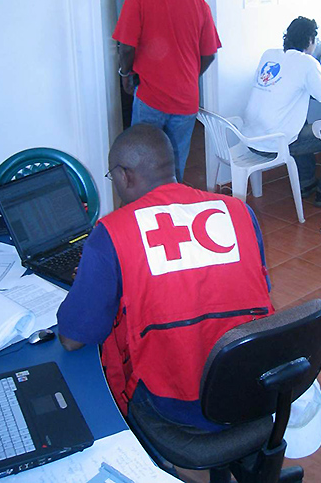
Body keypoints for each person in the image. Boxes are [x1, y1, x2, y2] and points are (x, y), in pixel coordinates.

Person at [57, 124, 273, 431]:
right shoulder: (239, 211)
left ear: (124, 176)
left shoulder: (112, 233)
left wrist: (96, 282)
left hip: (173, 403)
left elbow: (72, 339)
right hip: (247, 385)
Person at [113, 0, 221, 182]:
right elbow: (209, 54)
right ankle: (172, 203)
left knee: (141, 162)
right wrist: (189, 76)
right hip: (186, 100)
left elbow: (126, 48)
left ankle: (146, 204)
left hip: (150, 99)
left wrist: (125, 74)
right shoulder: (199, 3)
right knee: (175, 166)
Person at [243, 16, 321, 206]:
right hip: (274, 144)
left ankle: (306, 183)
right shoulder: (307, 62)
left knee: (300, 123)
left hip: (251, 137)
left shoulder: (269, 54)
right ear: (310, 40)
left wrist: (317, 75)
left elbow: (290, 75)